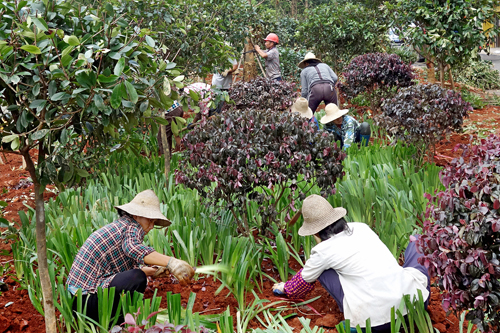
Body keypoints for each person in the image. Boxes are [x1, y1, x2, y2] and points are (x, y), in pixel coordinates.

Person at [272, 195, 431, 332]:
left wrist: (285, 288)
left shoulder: (322, 251)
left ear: (314, 230)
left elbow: (300, 285)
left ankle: (355, 322)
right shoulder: (362, 228)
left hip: (373, 324)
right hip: (415, 306)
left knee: (321, 270)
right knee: (417, 241)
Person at [66, 190, 195, 326]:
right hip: (87, 300)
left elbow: (122, 270)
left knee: (137, 274)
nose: (151, 226)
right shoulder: (132, 227)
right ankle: (116, 322)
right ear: (135, 215)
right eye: (149, 220)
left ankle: (115, 321)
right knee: (137, 278)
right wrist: (172, 262)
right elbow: (132, 249)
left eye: (154, 222)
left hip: (76, 300)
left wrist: (153, 271)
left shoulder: (122, 225)